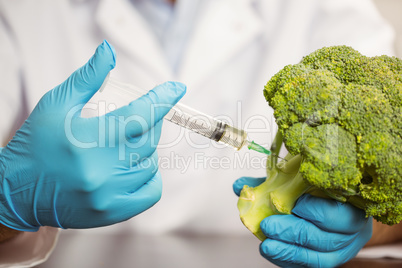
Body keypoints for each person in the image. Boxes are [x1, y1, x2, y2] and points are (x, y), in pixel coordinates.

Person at [0, 0, 400, 267]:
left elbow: (390, 160)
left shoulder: (329, 9)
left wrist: (359, 219)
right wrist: (8, 199)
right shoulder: (22, 13)